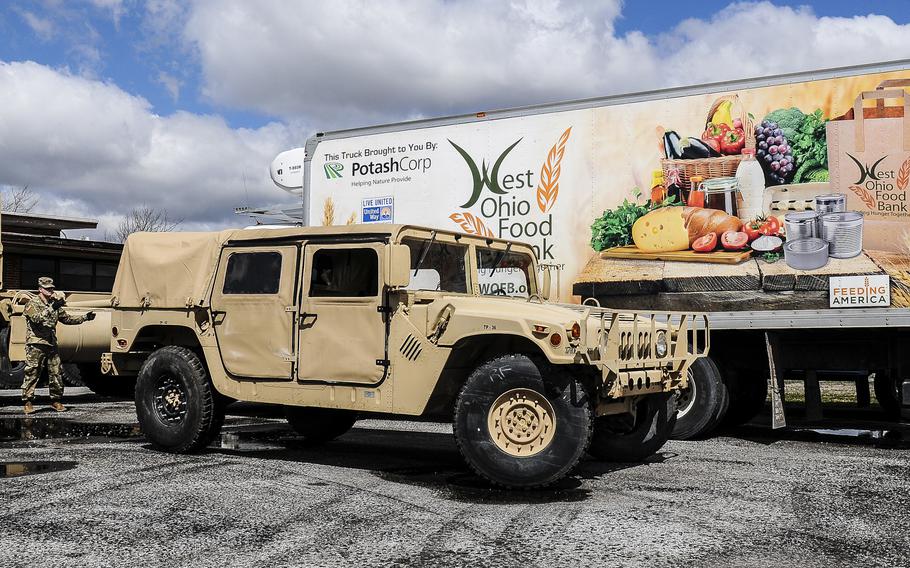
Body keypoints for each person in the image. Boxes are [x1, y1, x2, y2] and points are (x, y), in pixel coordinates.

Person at [21, 277, 96, 414]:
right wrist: (52, 308)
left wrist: (85, 318)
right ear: (40, 289)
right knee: (32, 372)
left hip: (51, 343)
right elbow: (36, 318)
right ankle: (28, 402)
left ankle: (56, 400)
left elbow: (67, 319)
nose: (51, 290)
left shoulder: (54, 304)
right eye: (47, 288)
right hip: (36, 343)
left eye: (52, 288)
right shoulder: (32, 303)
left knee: (56, 373)